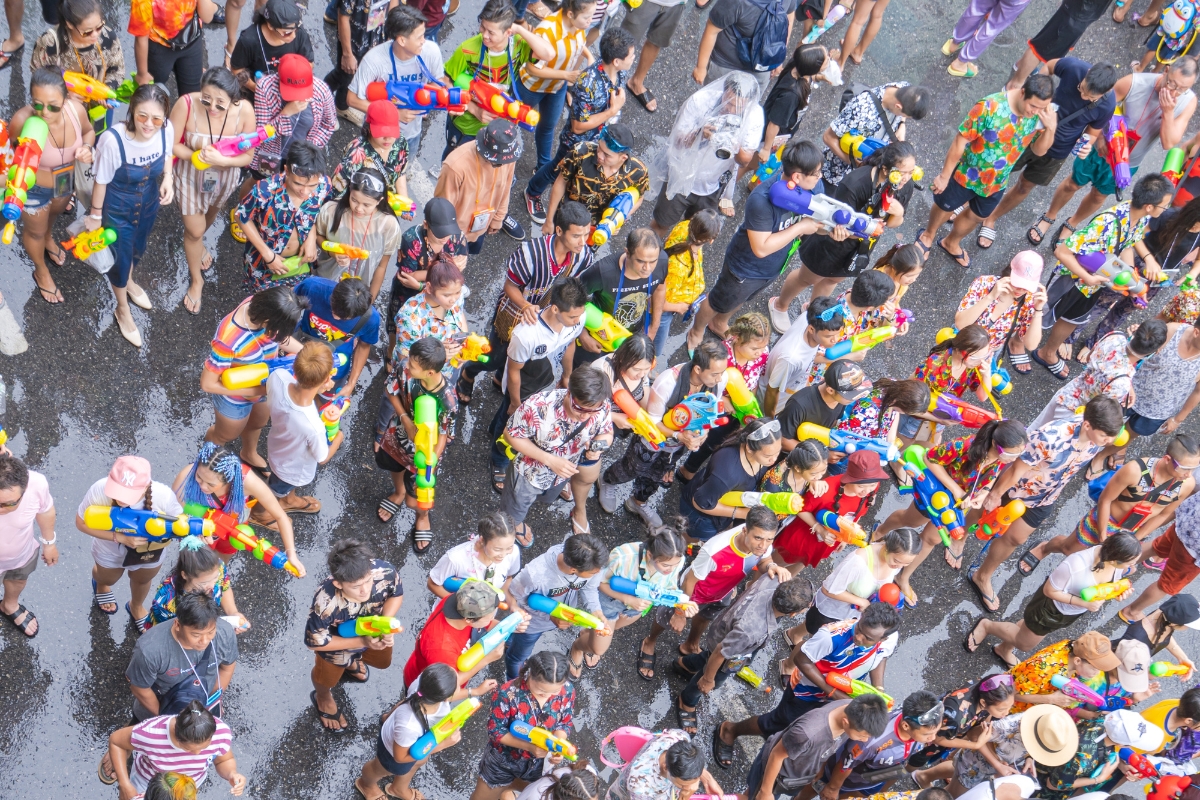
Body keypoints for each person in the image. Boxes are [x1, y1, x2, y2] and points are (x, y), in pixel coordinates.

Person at [970, 397, 1126, 613]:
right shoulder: (1051, 437)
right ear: (1088, 425)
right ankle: (958, 538)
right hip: (1018, 488)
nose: (1110, 441)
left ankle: (982, 575)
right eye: (1105, 435)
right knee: (983, 512)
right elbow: (1017, 469)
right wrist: (995, 493)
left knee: (1015, 538)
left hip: (1046, 496)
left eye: (1112, 436)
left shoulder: (1095, 440)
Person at [685, 140, 826, 352]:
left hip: (772, 266)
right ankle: (696, 331)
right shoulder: (761, 199)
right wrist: (801, 227)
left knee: (741, 298)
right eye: (816, 173)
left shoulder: (813, 188)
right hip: (745, 266)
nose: (820, 177)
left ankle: (720, 323)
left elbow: (819, 224)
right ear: (797, 177)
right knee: (717, 300)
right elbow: (761, 248)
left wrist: (830, 228)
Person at [1037, 62, 1197, 246]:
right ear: (1166, 70)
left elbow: (1169, 143)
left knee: (1099, 195)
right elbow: (1102, 105)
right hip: (1103, 148)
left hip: (1129, 161)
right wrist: (1099, 138)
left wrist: (1168, 112)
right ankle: (1049, 216)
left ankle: (1071, 223)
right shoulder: (1134, 82)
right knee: (1073, 183)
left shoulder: (1188, 101)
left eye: (1182, 88)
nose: (1175, 92)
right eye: (1172, 83)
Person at [1032, 174, 1175, 379]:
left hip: (1094, 282)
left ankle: (1047, 353)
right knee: (1040, 313)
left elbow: (1127, 245)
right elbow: (1062, 252)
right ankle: (1017, 343)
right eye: (1164, 206)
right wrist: (1087, 277)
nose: (1165, 210)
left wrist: (1131, 278)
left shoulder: (1139, 216)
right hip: (1072, 280)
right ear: (1150, 206)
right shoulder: (1106, 223)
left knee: (1074, 318)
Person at [768, 141, 919, 329]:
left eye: (912, 172)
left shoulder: (905, 186)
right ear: (886, 170)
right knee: (808, 278)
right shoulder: (856, 184)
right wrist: (853, 233)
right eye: (902, 172)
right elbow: (833, 221)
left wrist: (898, 213)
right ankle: (780, 304)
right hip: (831, 240)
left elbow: (892, 223)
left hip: (861, 245)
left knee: (833, 279)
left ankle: (812, 311)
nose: (907, 178)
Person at [917, 75, 1056, 270]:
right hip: (967, 174)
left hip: (997, 182)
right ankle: (928, 235)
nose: (1037, 112)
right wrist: (944, 176)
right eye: (1033, 106)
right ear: (1023, 92)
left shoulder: (1041, 116)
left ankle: (951, 242)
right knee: (944, 206)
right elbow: (960, 140)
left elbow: (1039, 150)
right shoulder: (990, 107)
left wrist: (1050, 128)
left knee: (976, 216)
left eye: (1043, 108)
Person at [458, 201, 593, 401]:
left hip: (546, 316)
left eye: (586, 234)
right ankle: (468, 374)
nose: (583, 242)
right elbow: (510, 286)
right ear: (559, 230)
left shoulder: (584, 257)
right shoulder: (530, 254)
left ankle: (499, 378)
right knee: (495, 356)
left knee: (521, 357)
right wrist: (526, 306)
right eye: (576, 236)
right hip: (516, 311)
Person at [720, 601, 899, 748]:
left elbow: (881, 656)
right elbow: (801, 660)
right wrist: (831, 692)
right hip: (806, 691)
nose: (859, 637)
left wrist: (878, 689)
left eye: (868, 638)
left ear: (882, 639)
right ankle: (730, 730)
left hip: (842, 694)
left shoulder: (889, 639)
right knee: (777, 721)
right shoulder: (830, 637)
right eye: (859, 629)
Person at [877, 421, 1028, 589]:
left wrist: (984, 492)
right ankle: (880, 531)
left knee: (932, 538)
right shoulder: (965, 445)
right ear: (995, 444)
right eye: (1011, 454)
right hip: (936, 493)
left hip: (958, 502)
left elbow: (994, 473)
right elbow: (930, 457)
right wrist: (956, 489)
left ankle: (903, 577)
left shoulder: (1000, 458)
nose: (1014, 459)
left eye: (1019, 453)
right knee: (910, 520)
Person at [987, 60, 1117, 248]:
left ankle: (991, 218)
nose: (1083, 95)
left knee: (1025, 185)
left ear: (1104, 93)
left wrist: (1086, 145)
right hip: (1031, 130)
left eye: (1089, 97)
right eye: (1082, 89)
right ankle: (969, 207)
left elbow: (1093, 131)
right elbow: (1048, 66)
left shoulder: (1107, 105)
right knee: (997, 169)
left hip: (1058, 150)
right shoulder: (1073, 68)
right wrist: (1040, 96)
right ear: (1087, 73)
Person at [598, 340, 728, 528]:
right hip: (652, 438)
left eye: (722, 372)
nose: (720, 378)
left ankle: (637, 503)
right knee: (633, 467)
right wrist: (680, 436)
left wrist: (703, 433)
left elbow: (710, 411)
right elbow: (653, 422)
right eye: (715, 374)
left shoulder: (718, 380)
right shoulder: (668, 383)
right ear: (698, 369)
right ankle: (608, 480)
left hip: (678, 445)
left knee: (658, 476)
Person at [83, 83, 172, 348]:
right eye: (142, 116)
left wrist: (168, 178)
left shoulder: (166, 129)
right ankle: (122, 308)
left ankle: (130, 283)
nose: (149, 124)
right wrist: (95, 216)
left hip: (148, 202)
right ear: (132, 110)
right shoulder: (113, 140)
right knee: (119, 260)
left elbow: (167, 154)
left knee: (137, 249)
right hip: (117, 208)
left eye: (157, 118)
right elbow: (100, 180)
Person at [966, 533, 1141, 667]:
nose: (1132, 567)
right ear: (1115, 558)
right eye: (1130, 563)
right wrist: (1084, 604)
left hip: (1068, 612)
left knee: (1027, 629)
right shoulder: (1076, 564)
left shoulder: (1115, 566)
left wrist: (1117, 593)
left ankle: (1004, 649)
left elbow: (1106, 587)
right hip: (1049, 608)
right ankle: (986, 626)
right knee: (1025, 644)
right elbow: (1049, 590)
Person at [643, 507, 786, 664]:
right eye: (758, 538)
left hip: (722, 592)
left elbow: (765, 559)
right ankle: (649, 642)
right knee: (665, 617)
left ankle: (690, 644)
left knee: (705, 616)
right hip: (693, 594)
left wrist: (772, 565)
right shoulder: (715, 550)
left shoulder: (762, 542)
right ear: (745, 530)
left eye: (769, 539)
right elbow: (689, 581)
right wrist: (680, 612)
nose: (763, 546)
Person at [676, 576, 813, 738]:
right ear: (792, 614)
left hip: (724, 631)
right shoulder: (752, 631)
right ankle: (687, 701)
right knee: (716, 676)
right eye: (806, 607)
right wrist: (707, 679)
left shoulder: (772, 580)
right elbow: (721, 652)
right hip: (728, 650)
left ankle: (686, 664)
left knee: (708, 656)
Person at [169, 67, 258, 314]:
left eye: (221, 103)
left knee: (212, 212)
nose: (213, 108)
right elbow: (173, 144)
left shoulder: (245, 111)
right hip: (189, 174)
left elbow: (248, 155)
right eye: (207, 99)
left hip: (224, 176)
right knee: (195, 229)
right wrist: (196, 157)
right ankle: (197, 279)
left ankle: (197, 244)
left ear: (234, 98)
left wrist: (223, 161)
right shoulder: (186, 104)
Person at [524, 26, 635, 221]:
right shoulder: (588, 83)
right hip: (575, 142)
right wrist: (612, 111)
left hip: (597, 140)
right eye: (631, 55)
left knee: (570, 173)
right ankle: (532, 192)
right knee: (556, 169)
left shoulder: (620, 74)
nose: (634, 58)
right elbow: (577, 126)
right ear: (616, 61)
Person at [489, 277, 587, 488]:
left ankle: (494, 427)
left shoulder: (577, 316)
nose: (578, 321)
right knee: (510, 421)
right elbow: (514, 371)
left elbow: (570, 344)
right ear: (554, 309)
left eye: (580, 315)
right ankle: (499, 459)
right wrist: (516, 403)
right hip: (523, 386)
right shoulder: (526, 335)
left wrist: (567, 376)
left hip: (548, 382)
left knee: (510, 415)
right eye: (572, 317)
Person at [7, 69, 93, 306]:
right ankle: (40, 270)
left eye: (53, 106)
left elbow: (88, 131)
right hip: (35, 191)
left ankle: (48, 239)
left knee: (52, 218)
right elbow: (9, 156)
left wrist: (87, 147)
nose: (44, 113)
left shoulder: (76, 111)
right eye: (38, 104)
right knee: (34, 230)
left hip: (66, 183)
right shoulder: (22, 121)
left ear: (65, 99)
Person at [500, 366, 614, 540]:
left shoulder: (601, 405)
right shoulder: (538, 406)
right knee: (516, 505)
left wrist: (598, 447)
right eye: (579, 408)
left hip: (564, 473)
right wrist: (550, 460)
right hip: (529, 473)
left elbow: (607, 432)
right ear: (569, 392)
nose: (585, 416)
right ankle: (515, 525)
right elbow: (510, 435)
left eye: (592, 411)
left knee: (547, 498)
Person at [200, 286, 305, 475]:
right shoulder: (228, 340)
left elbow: (282, 339)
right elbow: (207, 383)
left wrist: (306, 354)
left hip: (265, 383)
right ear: (267, 320)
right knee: (226, 434)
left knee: (258, 422)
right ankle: (206, 461)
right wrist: (256, 391)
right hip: (235, 396)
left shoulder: (266, 310)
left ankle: (248, 453)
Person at [305, 539, 402, 732]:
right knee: (327, 679)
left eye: (368, 581)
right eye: (356, 586)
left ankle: (351, 663)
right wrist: (361, 641)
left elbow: (396, 593)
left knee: (382, 661)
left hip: (373, 634)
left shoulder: (384, 572)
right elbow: (314, 642)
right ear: (338, 583)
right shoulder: (324, 601)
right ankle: (323, 697)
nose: (365, 590)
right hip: (336, 646)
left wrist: (384, 623)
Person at [76, 455, 185, 628]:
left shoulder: (163, 495)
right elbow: (80, 523)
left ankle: (136, 605)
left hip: (150, 553)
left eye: (129, 494)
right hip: (109, 549)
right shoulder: (99, 489)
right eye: (118, 491)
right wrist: (118, 537)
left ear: (146, 487)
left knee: (142, 580)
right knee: (106, 578)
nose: (122, 499)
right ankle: (102, 585)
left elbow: (180, 524)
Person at [651, 73, 763, 238]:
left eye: (738, 107)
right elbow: (677, 140)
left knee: (696, 233)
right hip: (681, 176)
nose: (731, 110)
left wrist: (734, 143)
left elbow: (744, 161)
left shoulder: (754, 116)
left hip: (713, 186)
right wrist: (700, 134)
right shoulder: (701, 101)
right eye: (729, 103)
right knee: (661, 224)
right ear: (724, 91)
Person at [441, 0, 556, 161]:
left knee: (481, 167)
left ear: (508, 32)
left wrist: (519, 29)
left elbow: (549, 54)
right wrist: (474, 109)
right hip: (465, 125)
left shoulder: (517, 46)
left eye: (491, 32)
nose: (484, 35)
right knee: (454, 161)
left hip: (496, 125)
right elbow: (445, 81)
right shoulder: (467, 49)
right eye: (483, 27)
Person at [171, 442, 299, 571]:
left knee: (223, 557)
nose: (203, 486)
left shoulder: (248, 482)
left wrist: (291, 554)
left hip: (232, 528)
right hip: (198, 527)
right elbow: (174, 512)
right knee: (194, 565)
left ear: (229, 479)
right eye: (199, 477)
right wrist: (194, 532)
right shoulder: (186, 476)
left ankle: (219, 574)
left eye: (211, 484)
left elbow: (281, 516)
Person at [376, 337, 455, 544]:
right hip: (398, 435)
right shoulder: (405, 367)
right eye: (409, 360)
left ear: (430, 372)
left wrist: (431, 460)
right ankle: (398, 492)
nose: (406, 365)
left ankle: (422, 516)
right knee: (394, 465)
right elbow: (391, 390)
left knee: (418, 497)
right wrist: (405, 420)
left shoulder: (447, 399)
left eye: (413, 365)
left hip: (424, 452)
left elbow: (444, 434)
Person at [123, 592, 238, 728]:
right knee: (133, 738)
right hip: (157, 712)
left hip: (201, 708)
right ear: (177, 625)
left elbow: (227, 667)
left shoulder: (224, 632)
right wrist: (165, 718)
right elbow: (140, 688)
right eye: (196, 635)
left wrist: (210, 702)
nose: (205, 641)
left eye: (210, 632)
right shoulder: (149, 650)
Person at [472, 651, 576, 800]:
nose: (548, 696)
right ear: (530, 675)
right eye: (541, 690)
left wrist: (557, 745)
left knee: (520, 795)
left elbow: (564, 723)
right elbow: (496, 731)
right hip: (503, 760)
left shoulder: (567, 690)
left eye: (554, 691)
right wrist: (530, 747)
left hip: (539, 765)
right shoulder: (507, 693)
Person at [1028, 321, 1168, 431]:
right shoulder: (1121, 384)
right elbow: (1101, 410)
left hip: (1067, 393)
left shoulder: (1115, 336)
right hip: (1076, 415)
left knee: (1034, 429)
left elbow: (1089, 358)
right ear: (1154, 352)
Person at [598, 523, 696, 677]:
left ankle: (589, 633)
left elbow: (669, 586)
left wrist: (682, 604)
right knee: (599, 648)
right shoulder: (623, 557)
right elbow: (599, 582)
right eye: (665, 565)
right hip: (611, 602)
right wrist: (627, 598)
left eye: (675, 565)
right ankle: (583, 644)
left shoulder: (676, 560)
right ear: (650, 555)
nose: (670, 569)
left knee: (605, 631)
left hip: (636, 609)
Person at [345, 5, 444, 157]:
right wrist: (394, 114)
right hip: (377, 135)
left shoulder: (431, 51)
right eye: (419, 37)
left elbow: (437, 82)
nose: (424, 41)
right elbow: (352, 99)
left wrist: (426, 101)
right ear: (402, 40)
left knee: (402, 172)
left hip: (411, 135)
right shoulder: (374, 60)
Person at [746, 696, 890, 800]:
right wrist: (765, 791)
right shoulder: (807, 733)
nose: (865, 740)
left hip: (796, 774)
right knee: (753, 795)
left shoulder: (851, 709)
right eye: (862, 736)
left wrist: (819, 767)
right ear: (845, 722)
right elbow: (777, 755)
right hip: (773, 774)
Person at [506, 535, 608, 679]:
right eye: (593, 573)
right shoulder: (534, 575)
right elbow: (514, 596)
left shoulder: (594, 563)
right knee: (517, 657)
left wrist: (595, 610)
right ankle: (513, 682)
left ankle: (510, 640)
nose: (598, 573)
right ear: (573, 569)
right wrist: (550, 616)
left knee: (513, 640)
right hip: (532, 624)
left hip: (554, 619)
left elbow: (590, 588)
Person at [772, 451, 889, 576]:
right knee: (775, 565)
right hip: (803, 540)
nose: (866, 491)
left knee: (802, 564)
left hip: (827, 542)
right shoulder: (825, 491)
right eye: (861, 486)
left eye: (872, 485)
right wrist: (819, 529)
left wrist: (846, 537)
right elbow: (800, 509)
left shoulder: (871, 487)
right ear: (849, 478)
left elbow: (858, 513)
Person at [356, 663, 459, 800]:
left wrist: (387, 717)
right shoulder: (409, 725)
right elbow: (400, 757)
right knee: (378, 769)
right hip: (393, 752)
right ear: (446, 697)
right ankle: (365, 784)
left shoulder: (423, 685)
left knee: (417, 762)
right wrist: (443, 744)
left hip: (409, 740)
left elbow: (404, 701)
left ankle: (398, 788)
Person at [237, 141, 331, 291]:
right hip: (264, 263)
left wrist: (311, 237)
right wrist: (268, 255)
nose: (305, 192)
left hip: (300, 264)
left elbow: (317, 212)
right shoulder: (265, 190)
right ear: (286, 170)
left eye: (311, 186)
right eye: (298, 184)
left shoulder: (324, 185)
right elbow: (242, 216)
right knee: (261, 300)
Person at [813, 691, 943, 798]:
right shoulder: (871, 742)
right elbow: (845, 765)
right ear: (905, 726)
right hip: (846, 780)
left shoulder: (918, 726)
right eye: (927, 735)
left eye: (936, 731)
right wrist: (832, 788)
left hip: (873, 778)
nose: (932, 738)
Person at [265, 341, 344, 515]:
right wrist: (338, 438)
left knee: (279, 480)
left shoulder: (278, 376)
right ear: (326, 379)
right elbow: (322, 457)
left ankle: (288, 498)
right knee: (277, 488)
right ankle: (261, 512)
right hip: (293, 468)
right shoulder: (313, 425)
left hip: (276, 447)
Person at [517, 0, 595, 174]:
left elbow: (578, 43)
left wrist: (589, 55)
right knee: (511, 121)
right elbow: (532, 68)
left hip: (556, 87)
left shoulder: (578, 24)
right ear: (570, 14)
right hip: (532, 88)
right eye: (587, 17)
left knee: (548, 126)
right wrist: (567, 76)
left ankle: (543, 167)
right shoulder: (547, 31)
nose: (590, 21)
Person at [388, 198, 468, 367]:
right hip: (407, 291)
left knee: (434, 330)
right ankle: (390, 355)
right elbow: (407, 275)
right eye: (439, 233)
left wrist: (423, 280)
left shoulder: (457, 237)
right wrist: (445, 269)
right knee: (398, 327)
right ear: (426, 225)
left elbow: (458, 269)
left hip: (442, 291)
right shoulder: (411, 240)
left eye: (448, 232)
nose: (445, 237)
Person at [106, 702, 243, 798]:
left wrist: (232, 774)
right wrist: (125, 784)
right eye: (189, 749)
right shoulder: (150, 733)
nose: (198, 755)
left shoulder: (221, 733)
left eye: (205, 748)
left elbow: (224, 760)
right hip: (148, 786)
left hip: (188, 787)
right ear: (177, 737)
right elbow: (116, 741)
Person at [575, 228, 667, 367]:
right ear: (627, 253)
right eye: (641, 261)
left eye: (652, 261)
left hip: (632, 336)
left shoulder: (662, 261)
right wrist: (582, 335)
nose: (647, 268)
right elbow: (572, 299)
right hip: (597, 336)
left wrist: (654, 326)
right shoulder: (603, 272)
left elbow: (660, 288)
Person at [247, 55, 338, 195]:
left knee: (290, 192)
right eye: (292, 92)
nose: (297, 97)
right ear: (279, 80)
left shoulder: (322, 91)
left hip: (300, 157)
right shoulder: (265, 87)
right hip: (270, 153)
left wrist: (309, 147)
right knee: (259, 185)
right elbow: (261, 132)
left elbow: (328, 124)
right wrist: (285, 113)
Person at [30, 0, 123, 136]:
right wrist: (64, 95)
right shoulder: (50, 43)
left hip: (98, 109)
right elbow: (38, 74)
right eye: (87, 32)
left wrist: (107, 90)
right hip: (62, 111)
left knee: (94, 141)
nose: (95, 35)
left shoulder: (109, 37)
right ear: (69, 24)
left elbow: (116, 69)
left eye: (99, 27)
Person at [680, 419, 783, 541]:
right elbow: (699, 503)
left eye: (777, 453)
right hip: (701, 517)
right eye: (768, 456)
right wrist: (742, 513)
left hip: (719, 502)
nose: (774, 460)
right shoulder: (726, 474)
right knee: (693, 539)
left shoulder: (757, 451)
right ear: (749, 448)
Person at [402, 577, 511, 692]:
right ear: (469, 620)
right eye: (489, 616)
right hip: (425, 689)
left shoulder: (458, 602)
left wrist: (512, 625)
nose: (492, 619)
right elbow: (447, 687)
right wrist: (486, 659)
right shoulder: (442, 649)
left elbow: (485, 623)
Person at [542, 123, 650, 237]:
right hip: (566, 220)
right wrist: (549, 220)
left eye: (607, 155)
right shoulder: (581, 152)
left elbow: (638, 198)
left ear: (623, 158)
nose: (599, 155)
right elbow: (560, 183)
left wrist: (617, 220)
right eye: (599, 148)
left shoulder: (638, 172)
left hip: (597, 231)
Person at [817, 82, 933, 187]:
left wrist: (902, 124)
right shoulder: (861, 108)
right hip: (839, 173)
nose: (904, 118)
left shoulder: (904, 89)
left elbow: (904, 112)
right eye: (906, 116)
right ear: (898, 106)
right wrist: (855, 164)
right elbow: (828, 137)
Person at [908, 675, 1016, 788]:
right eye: (1002, 710)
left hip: (949, 731)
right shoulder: (956, 717)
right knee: (914, 761)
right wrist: (975, 744)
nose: (1006, 713)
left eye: (1010, 707)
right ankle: (900, 773)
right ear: (984, 703)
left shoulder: (984, 689)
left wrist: (986, 723)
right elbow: (937, 739)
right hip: (927, 741)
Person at [436, 118, 523, 255]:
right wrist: (447, 239)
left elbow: (506, 187)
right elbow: (442, 208)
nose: (501, 165)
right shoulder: (455, 166)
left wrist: (498, 218)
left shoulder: (507, 157)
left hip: (481, 227)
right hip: (454, 235)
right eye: (496, 161)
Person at [313, 168, 403, 299]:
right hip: (325, 284)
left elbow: (381, 267)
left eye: (367, 205)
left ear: (379, 200)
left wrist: (370, 300)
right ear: (349, 190)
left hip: (358, 296)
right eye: (354, 200)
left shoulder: (388, 225)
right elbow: (317, 236)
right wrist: (332, 253)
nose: (359, 208)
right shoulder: (331, 211)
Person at [808, 527, 922, 630]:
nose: (900, 567)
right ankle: (795, 636)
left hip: (853, 616)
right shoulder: (858, 561)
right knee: (814, 635)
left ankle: (793, 635)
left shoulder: (895, 563)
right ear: (886, 547)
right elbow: (828, 589)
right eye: (897, 561)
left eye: (907, 563)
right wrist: (861, 602)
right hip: (831, 613)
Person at [953, 251, 1047, 375]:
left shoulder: (1029, 302)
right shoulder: (985, 283)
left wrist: (1038, 310)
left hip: (986, 354)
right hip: (961, 343)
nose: (1021, 290)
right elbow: (960, 324)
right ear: (1010, 272)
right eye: (1018, 283)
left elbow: (1031, 345)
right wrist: (990, 297)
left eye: (1027, 286)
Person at [1041, 709, 1165, 800]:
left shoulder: (1101, 721)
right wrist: (1097, 779)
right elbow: (1052, 784)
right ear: (1121, 742)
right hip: (1044, 788)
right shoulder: (1082, 758)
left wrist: (1121, 765)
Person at [295, 275, 382, 400]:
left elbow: (363, 346)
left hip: (334, 367)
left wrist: (351, 383)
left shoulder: (370, 319)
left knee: (325, 403)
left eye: (343, 318)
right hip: (299, 352)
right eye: (333, 310)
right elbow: (289, 306)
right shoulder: (312, 287)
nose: (335, 318)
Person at [0, 453, 56, 639]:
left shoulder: (37, 484)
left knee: (18, 580)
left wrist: (49, 543)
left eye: (7, 504)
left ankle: (9, 605)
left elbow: (46, 511)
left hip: (20, 555)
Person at [760, 296, 845, 416]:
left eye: (838, 333)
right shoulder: (791, 359)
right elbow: (771, 391)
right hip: (775, 403)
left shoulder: (807, 319)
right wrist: (770, 418)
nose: (835, 340)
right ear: (811, 329)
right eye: (828, 336)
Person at [1005, 0, 1117, 91]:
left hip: (1086, 10)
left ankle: (1021, 70)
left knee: (1048, 46)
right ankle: (1014, 86)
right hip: (1081, 10)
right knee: (1044, 48)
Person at [1121, 492, 1200, 620]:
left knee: (1156, 547)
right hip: (1194, 551)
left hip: (1187, 523)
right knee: (1166, 584)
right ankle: (1131, 611)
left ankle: (1116, 567)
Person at [391, 256, 469, 382]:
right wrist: (438, 357)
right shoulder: (410, 318)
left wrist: (464, 349)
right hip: (419, 379)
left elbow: (460, 317)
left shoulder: (455, 299)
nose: (453, 299)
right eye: (446, 295)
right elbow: (404, 360)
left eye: (458, 292)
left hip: (447, 372)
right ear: (429, 287)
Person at [692, 0, 797, 93]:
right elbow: (712, 29)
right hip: (726, 65)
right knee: (712, 103)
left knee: (743, 111)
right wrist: (701, 67)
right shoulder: (737, 2)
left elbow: (789, 17)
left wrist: (777, 58)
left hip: (760, 69)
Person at [656, 210, 720, 360]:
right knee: (658, 340)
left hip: (677, 295)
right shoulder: (679, 266)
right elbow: (658, 303)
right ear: (711, 240)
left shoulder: (684, 227)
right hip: (667, 309)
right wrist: (678, 307)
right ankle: (652, 360)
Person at [147, 537, 246, 633]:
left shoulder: (218, 568)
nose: (212, 586)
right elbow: (164, 631)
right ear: (184, 575)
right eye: (204, 583)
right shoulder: (166, 601)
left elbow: (224, 587)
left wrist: (233, 613)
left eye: (215, 578)